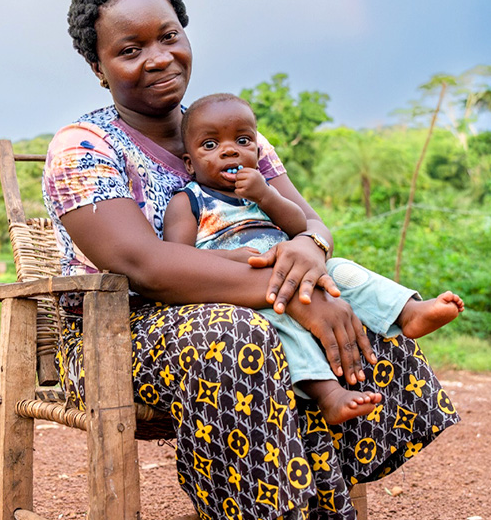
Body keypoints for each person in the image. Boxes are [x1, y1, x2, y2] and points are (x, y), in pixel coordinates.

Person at [42, 0, 460, 520]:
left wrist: (314, 255)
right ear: (98, 66)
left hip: (257, 307)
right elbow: (141, 262)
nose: (158, 58)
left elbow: (308, 222)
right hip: (124, 338)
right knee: (236, 333)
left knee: (352, 316)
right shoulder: (83, 146)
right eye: (129, 48)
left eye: (168, 35)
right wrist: (292, 296)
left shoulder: (234, 131)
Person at [163, 92, 464, 426]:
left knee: (341, 270)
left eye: (243, 140)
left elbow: (300, 226)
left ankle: (408, 311)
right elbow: (178, 256)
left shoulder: (262, 193)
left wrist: (266, 195)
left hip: (298, 272)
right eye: (210, 145)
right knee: (280, 326)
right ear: (189, 163)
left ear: (258, 152)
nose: (230, 150)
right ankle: (329, 395)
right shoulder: (188, 201)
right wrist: (229, 257)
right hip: (244, 292)